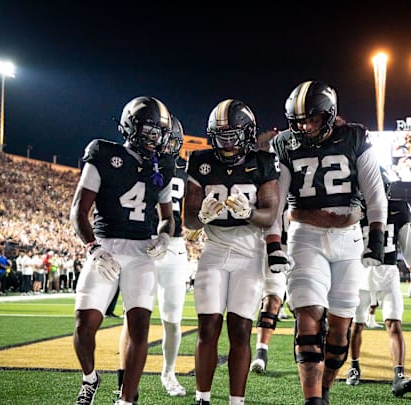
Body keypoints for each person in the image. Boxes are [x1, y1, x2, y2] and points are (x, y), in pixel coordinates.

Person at [268, 80, 388, 405]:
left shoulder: (355, 137)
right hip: (305, 240)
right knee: (308, 316)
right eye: (299, 121)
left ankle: (325, 390)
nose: (305, 126)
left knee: (339, 329)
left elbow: (375, 193)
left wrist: (376, 237)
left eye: (312, 118)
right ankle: (312, 401)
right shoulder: (283, 144)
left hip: (348, 241)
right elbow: (277, 201)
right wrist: (273, 241)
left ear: (329, 114)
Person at [70, 95, 176, 405]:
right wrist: (93, 248)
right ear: (132, 128)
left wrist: (164, 237)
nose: (156, 138)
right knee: (84, 323)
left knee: (139, 325)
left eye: (159, 132)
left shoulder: (163, 165)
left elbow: (167, 219)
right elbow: (79, 210)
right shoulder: (103, 153)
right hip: (107, 244)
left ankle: (126, 400)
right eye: (150, 131)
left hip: (143, 250)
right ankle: (90, 378)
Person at [183, 99, 280, 405]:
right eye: (220, 134)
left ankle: (236, 401)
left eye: (231, 134)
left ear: (248, 133)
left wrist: (249, 212)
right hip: (213, 249)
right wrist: (201, 216)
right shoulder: (200, 160)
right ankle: (202, 398)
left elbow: (270, 214)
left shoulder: (263, 162)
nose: (225, 141)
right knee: (207, 327)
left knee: (240, 329)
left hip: (248, 252)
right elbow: (187, 218)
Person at [116, 115, 188, 401]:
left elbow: (191, 215)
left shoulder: (184, 171)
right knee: (130, 319)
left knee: (172, 319)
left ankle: (168, 373)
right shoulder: (135, 166)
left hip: (175, 247)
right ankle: (124, 383)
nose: (164, 143)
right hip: (141, 246)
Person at [345, 169, 411, 398]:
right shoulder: (354, 211)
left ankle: (399, 375)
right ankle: (354, 367)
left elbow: (407, 244)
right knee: (356, 325)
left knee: (394, 324)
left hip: (388, 273)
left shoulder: (399, 209)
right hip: (361, 274)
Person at [249, 129, 293, 376]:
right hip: (252, 243)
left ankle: (261, 351)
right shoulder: (255, 174)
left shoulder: (291, 176)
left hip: (284, 246)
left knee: (274, 297)